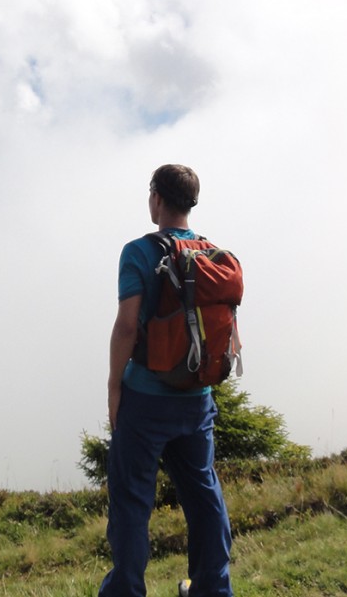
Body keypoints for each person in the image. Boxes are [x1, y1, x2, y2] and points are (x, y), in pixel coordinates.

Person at [100, 164, 233, 597]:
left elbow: (126, 326)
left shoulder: (138, 251)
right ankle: (213, 589)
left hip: (146, 399)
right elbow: (229, 334)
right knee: (202, 493)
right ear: (191, 202)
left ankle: (126, 591)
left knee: (133, 503)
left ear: (156, 197)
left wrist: (114, 386)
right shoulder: (214, 255)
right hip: (197, 399)